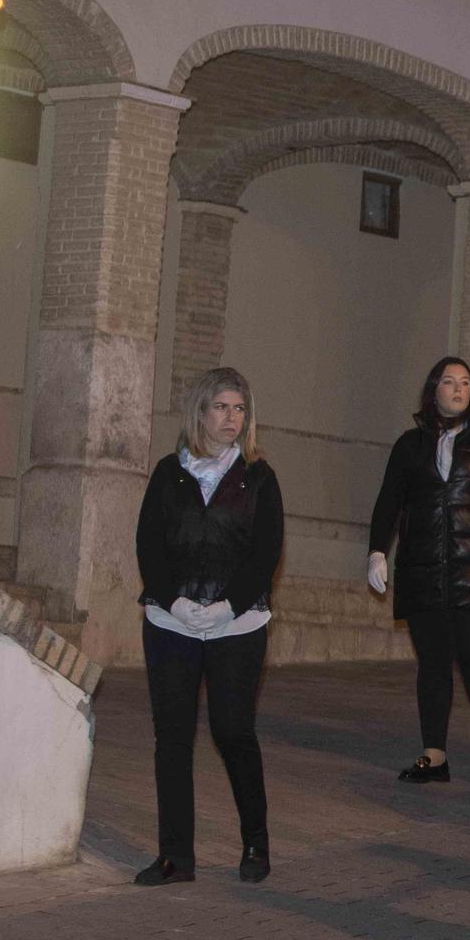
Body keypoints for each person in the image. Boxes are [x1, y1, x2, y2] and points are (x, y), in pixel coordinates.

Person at [133, 367, 283, 887]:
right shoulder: (166, 474)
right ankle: (176, 857)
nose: (231, 418)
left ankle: (256, 845)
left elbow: (265, 553)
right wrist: (173, 602)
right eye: (221, 407)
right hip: (169, 621)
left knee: (232, 731)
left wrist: (228, 606)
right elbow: (149, 546)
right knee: (172, 737)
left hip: (236, 626)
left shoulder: (258, 477)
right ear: (200, 412)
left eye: (239, 409)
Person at [368, 357, 470, 785]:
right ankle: (434, 756)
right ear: (433, 389)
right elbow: (390, 502)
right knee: (433, 663)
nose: (459, 389)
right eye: (450, 382)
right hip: (422, 569)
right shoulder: (409, 445)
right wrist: (377, 550)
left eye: (466, 383)